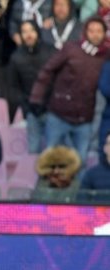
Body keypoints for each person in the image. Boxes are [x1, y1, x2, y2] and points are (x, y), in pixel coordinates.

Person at [29, 16, 107, 162]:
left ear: (104, 33)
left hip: (85, 118)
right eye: (91, 31)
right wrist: (36, 97)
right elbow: (47, 71)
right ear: (85, 32)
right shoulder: (71, 49)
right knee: (51, 159)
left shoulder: (106, 56)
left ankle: (78, 186)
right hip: (59, 114)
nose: (95, 34)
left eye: (99, 31)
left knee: (80, 162)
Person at [8, 20, 55, 154]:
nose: (28, 35)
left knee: (53, 150)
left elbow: (59, 80)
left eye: (31, 30)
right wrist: (26, 107)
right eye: (24, 31)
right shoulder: (16, 57)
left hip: (52, 110)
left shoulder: (51, 51)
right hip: (31, 111)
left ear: (37, 32)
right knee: (33, 150)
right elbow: (14, 87)